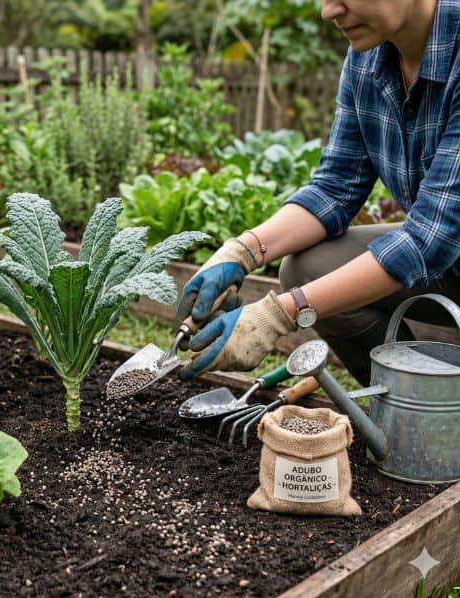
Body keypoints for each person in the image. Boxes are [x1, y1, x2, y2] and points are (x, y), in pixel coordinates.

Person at [176, 0, 460, 387]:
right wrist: (242, 252)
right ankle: (415, 408)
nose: (328, 11)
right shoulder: (370, 58)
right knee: (306, 269)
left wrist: (277, 316)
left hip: (444, 251)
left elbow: (431, 238)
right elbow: (335, 188)